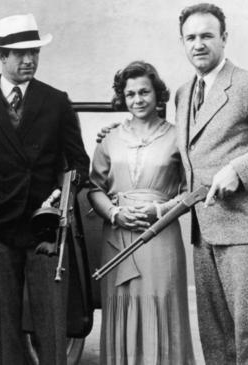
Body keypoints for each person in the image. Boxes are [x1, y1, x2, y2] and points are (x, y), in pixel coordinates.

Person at [99, 4, 248, 363]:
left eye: (207, 35)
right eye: (191, 37)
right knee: (216, 338)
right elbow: (176, 152)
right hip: (202, 232)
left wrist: (239, 171)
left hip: (245, 230)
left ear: (224, 38)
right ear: (182, 43)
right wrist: (112, 135)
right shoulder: (182, 93)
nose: (199, 44)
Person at [0, 13, 90, 365]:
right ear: (1, 56)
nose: (29, 60)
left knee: (52, 323)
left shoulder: (56, 100)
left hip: (44, 229)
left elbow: (78, 163)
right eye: (19, 53)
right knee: (6, 322)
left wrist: (57, 205)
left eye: (34, 52)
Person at [89, 61, 195, 364]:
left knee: (160, 304)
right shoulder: (109, 139)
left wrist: (158, 210)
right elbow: (94, 187)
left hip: (159, 234)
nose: (138, 100)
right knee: (122, 304)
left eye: (144, 92)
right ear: (123, 98)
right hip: (116, 236)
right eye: (131, 94)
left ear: (157, 94)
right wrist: (113, 214)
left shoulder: (179, 137)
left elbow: (190, 192)